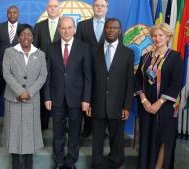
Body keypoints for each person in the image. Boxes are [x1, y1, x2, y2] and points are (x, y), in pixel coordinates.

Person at [44, 16, 91, 169]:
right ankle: (58, 161)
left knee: (75, 132)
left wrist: (86, 99)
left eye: (69, 27)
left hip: (77, 99)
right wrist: (47, 97)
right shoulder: (51, 47)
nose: (66, 31)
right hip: (56, 98)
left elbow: (87, 76)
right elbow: (47, 75)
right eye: (63, 28)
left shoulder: (84, 47)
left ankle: (71, 162)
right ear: (59, 29)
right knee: (57, 132)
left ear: (74, 29)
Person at [135, 23, 183, 169]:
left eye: (161, 35)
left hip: (165, 108)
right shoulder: (145, 57)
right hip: (146, 106)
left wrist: (158, 103)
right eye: (154, 35)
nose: (157, 38)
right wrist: (144, 100)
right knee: (147, 139)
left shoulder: (175, 57)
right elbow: (137, 80)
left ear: (168, 37)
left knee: (163, 140)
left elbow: (176, 84)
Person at [89, 18, 134, 169]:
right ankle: (97, 165)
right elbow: (90, 79)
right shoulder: (94, 50)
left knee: (117, 140)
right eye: (108, 28)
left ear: (119, 30)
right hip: (97, 104)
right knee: (97, 140)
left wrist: (127, 106)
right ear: (104, 29)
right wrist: (88, 101)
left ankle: (115, 164)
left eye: (115, 28)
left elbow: (130, 82)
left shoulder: (128, 53)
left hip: (118, 105)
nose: (111, 30)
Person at [2, 24, 47, 169]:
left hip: (32, 100)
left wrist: (30, 92)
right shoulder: (9, 52)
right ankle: (15, 165)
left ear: (33, 37)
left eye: (28, 34)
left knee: (29, 135)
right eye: (22, 34)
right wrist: (19, 92)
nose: (25, 37)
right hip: (13, 99)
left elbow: (43, 75)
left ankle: (29, 165)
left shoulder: (40, 54)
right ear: (18, 36)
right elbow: (6, 74)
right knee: (14, 135)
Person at [75, 0, 108, 138]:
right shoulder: (82, 25)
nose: (99, 8)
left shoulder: (112, 26)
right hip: (85, 69)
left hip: (106, 70)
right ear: (92, 8)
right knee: (86, 97)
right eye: (96, 5)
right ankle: (87, 127)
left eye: (102, 6)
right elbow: (77, 47)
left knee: (104, 98)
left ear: (107, 8)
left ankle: (102, 128)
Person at [0, 6, 21, 129]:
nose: (12, 15)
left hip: (17, 71)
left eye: (14, 12)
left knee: (16, 97)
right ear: (7, 14)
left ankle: (16, 124)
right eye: (9, 13)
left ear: (18, 14)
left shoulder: (24, 28)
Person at [33, 0, 61, 130]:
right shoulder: (39, 26)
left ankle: (60, 125)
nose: (53, 9)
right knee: (44, 96)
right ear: (47, 9)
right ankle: (42, 125)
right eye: (50, 6)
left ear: (59, 8)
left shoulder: (66, 25)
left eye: (55, 6)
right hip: (42, 68)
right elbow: (34, 49)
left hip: (62, 69)